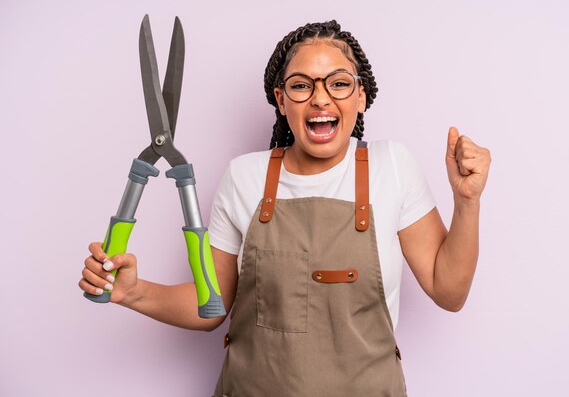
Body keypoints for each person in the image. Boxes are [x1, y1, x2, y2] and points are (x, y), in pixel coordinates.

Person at [79, 20, 491, 396]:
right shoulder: (244, 176)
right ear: (281, 99)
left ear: (361, 96)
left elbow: (449, 291)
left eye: (339, 83)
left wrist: (466, 201)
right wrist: (133, 292)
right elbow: (212, 305)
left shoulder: (392, 167)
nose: (320, 99)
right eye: (301, 85)